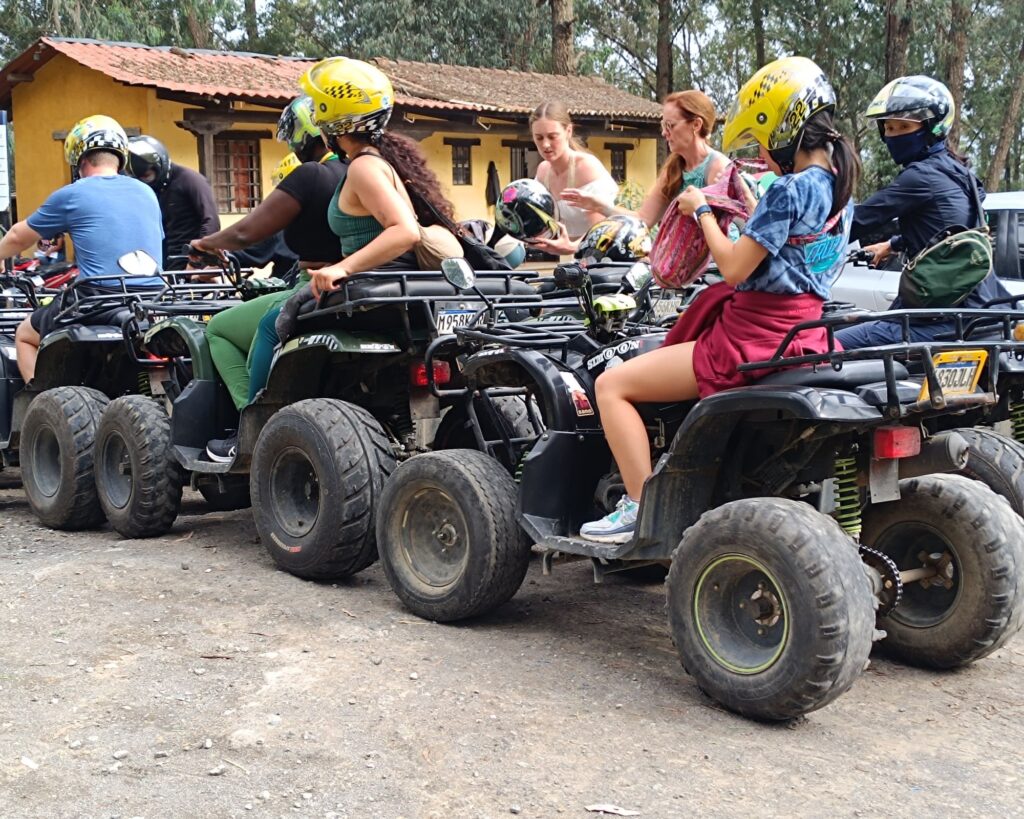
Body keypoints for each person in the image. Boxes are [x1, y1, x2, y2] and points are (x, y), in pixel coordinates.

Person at [578, 57, 859, 543]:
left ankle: (640, 507)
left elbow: (732, 267)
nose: (764, 157)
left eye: (763, 143)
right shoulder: (839, 189)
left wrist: (702, 209)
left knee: (611, 386)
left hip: (749, 338)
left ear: (784, 128)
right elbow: (789, 252)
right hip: (801, 333)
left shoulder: (788, 189)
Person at [190, 96, 346, 462]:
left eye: (294, 135)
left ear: (309, 131)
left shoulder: (313, 175)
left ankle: (251, 422)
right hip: (356, 278)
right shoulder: (362, 170)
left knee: (220, 329)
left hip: (312, 283)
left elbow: (247, 233)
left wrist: (205, 243)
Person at [835, 75, 1009, 348]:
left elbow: (856, 221)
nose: (893, 135)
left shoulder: (919, 177)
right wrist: (892, 244)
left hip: (942, 318)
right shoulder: (959, 173)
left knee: (827, 345)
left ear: (932, 128)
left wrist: (804, 237)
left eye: (903, 126)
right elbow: (948, 231)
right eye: (889, 127)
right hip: (984, 310)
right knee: (878, 323)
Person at [0, 115, 164, 382]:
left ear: (80, 159)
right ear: (120, 157)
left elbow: (19, 236)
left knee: (24, 335)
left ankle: (40, 410)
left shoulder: (73, 193)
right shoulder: (147, 193)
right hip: (150, 297)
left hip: (97, 299)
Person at [561, 90, 734, 242]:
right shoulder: (673, 169)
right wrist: (599, 205)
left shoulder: (717, 167)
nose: (664, 133)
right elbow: (643, 220)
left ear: (696, 125)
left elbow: (722, 231)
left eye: (670, 125)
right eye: (663, 125)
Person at [526, 101, 619, 256]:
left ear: (568, 131)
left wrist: (572, 247)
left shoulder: (586, 168)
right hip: (568, 257)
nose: (546, 144)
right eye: (539, 138)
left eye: (552, 136)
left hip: (601, 255)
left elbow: (601, 231)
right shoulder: (543, 171)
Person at [128, 135, 220, 271]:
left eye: (147, 176)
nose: (146, 182)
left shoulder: (189, 179)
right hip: (164, 265)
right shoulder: (153, 190)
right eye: (140, 179)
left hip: (191, 264)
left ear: (159, 166)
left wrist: (197, 260)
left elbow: (211, 221)